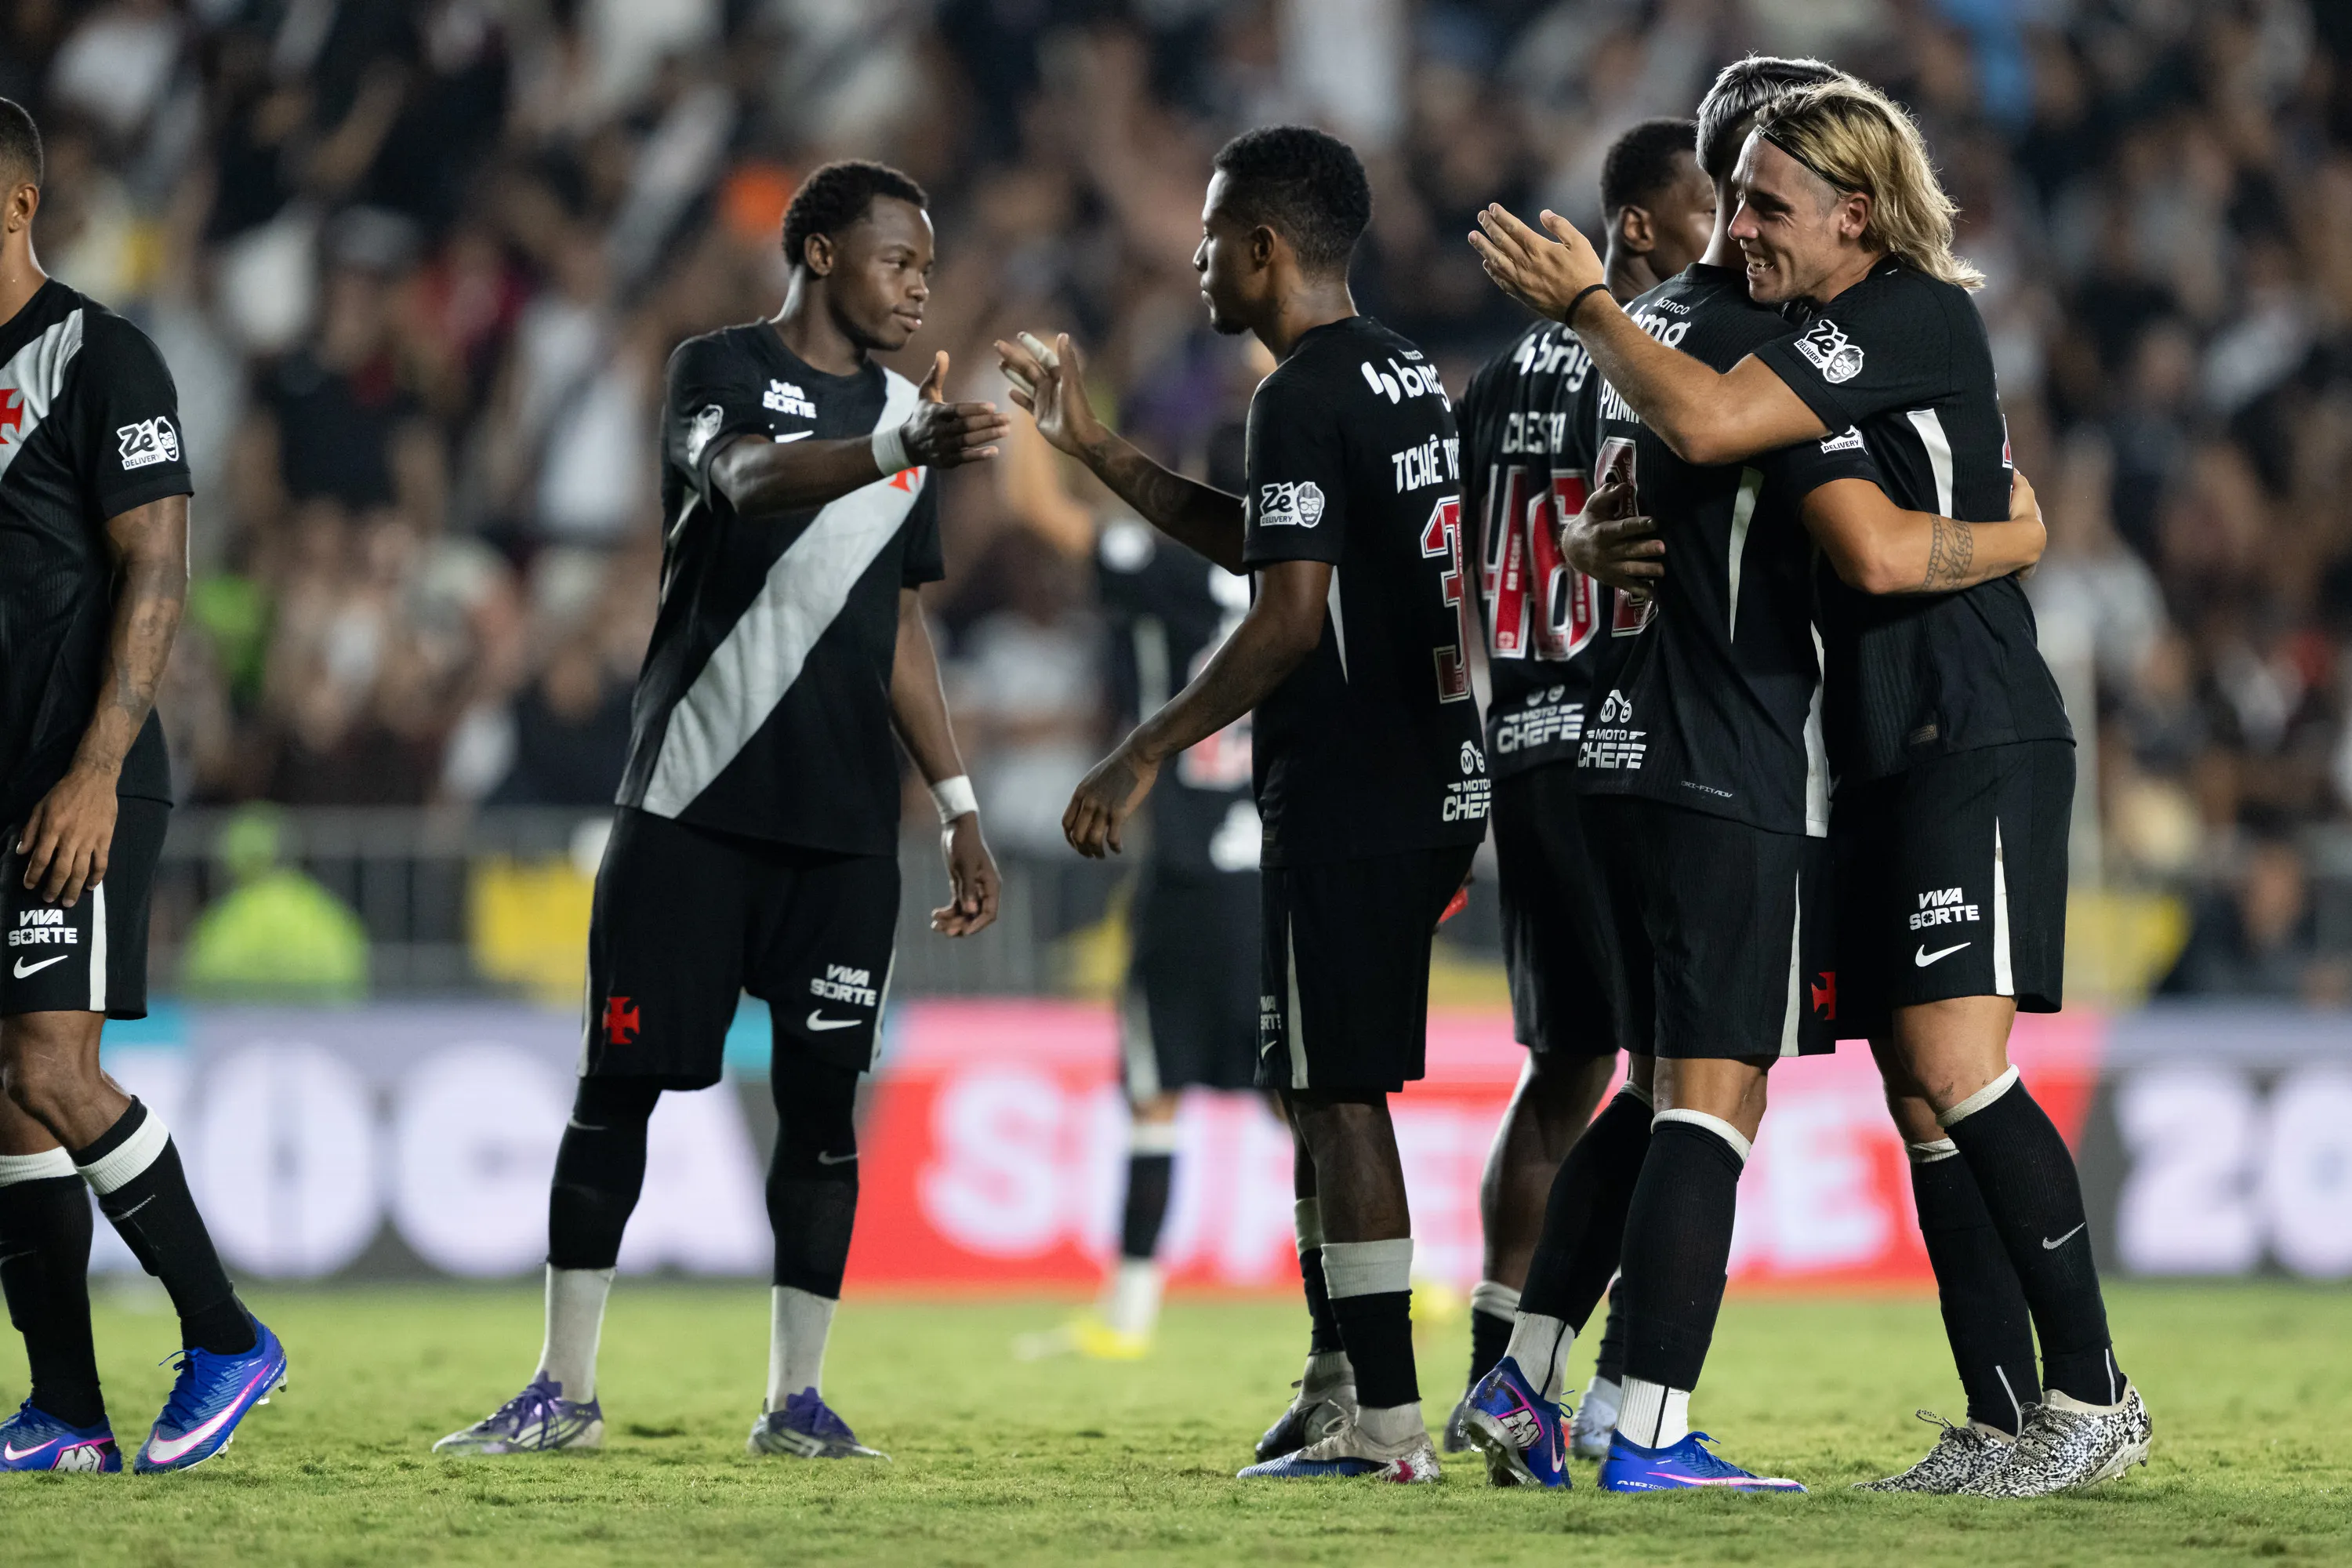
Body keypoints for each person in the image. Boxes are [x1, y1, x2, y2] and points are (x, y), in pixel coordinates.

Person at [1471, 73, 2146, 1498]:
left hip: (1974, 730)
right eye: (1736, 200)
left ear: (1857, 211)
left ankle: (2092, 1395)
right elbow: (1701, 467)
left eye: (1770, 205)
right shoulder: (1795, 336)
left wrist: (2009, 547)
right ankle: (2002, 1412)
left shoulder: (1909, 316)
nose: (1743, 227)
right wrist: (1607, 539)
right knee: (1908, 1090)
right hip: (1863, 746)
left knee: (1956, 1071)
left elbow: (1877, 553)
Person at [436, 160, 1007, 1463]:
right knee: (618, 1090)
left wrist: (958, 800)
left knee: (821, 1113)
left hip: (848, 828)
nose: (920, 283)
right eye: (895, 258)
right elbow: (743, 484)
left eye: (928, 263)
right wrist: (895, 444)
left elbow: (898, 623)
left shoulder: (910, 416)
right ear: (816, 252)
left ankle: (796, 1404)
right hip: (691, 803)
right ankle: (561, 1392)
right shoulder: (718, 369)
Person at [1000, 125, 1488, 1483]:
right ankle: (1339, 1383)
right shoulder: (1392, 373)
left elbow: (1284, 619)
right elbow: (1270, 537)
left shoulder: (1303, 391)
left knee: (1339, 1096)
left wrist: (1142, 748)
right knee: (1311, 1084)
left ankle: (1387, 1427)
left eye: (1213, 234)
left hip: (1354, 785)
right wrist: (1095, 451)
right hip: (1419, 770)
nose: (1198, 258)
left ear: (1264, 249)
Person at [0, 96, 288, 1475]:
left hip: (79, 782)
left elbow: (158, 571)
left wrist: (97, 772)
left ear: (16, 205)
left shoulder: (99, 357)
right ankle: (66, 1413)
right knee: (6, 1090)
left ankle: (227, 1335)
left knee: (54, 1069)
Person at [1441, 114, 1716, 1461]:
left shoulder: (1494, 380)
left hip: (1521, 744)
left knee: (1564, 1069)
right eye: (1716, 216)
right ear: (1646, 229)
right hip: (1625, 743)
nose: (1736, 243)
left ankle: (1501, 1365)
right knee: (1670, 1071)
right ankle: (1562, 1383)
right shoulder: (1656, 355)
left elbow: (1460, 576)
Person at [1019, 511, 1264, 1362]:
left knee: (1155, 1091)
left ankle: (1126, 1311)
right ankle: (1396, 1280)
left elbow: (1044, 517)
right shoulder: (1309, 578)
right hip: (1279, 878)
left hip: (1193, 880)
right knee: (1311, 1102)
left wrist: (1050, 396)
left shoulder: (1168, 568)